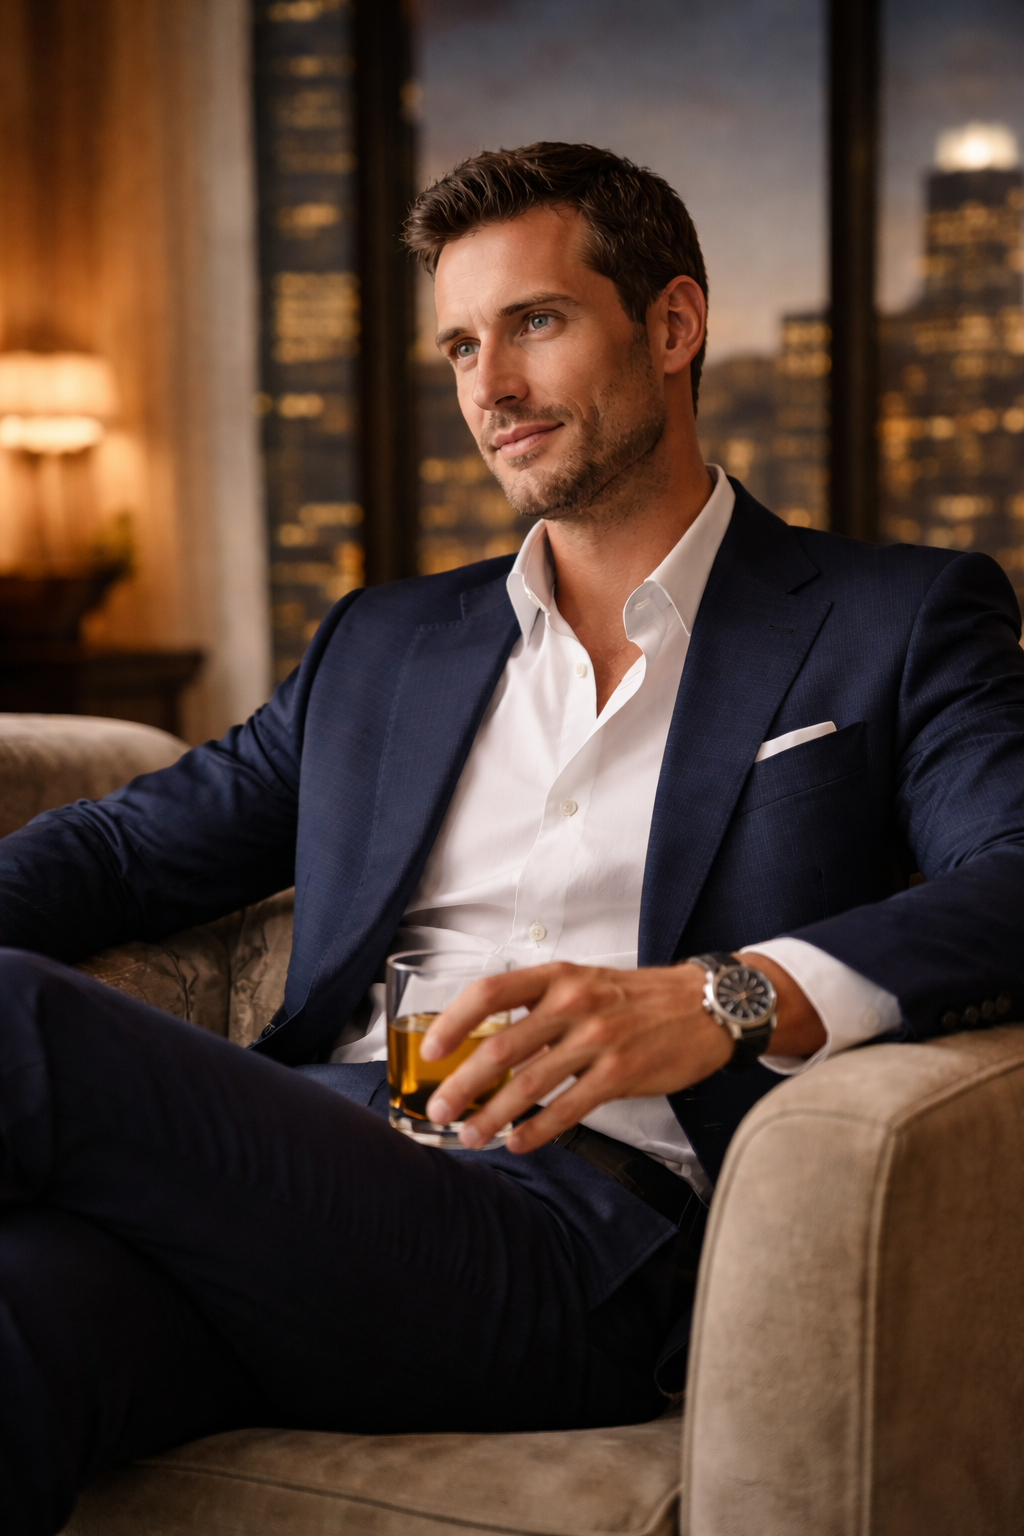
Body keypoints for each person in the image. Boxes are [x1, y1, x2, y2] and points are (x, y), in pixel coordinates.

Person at [0, 142, 1022, 1536]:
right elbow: (122, 852)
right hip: (310, 1176)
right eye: (462, 346)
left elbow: (1012, 878)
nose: (489, 385)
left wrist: (721, 997)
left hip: (590, 1234)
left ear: (673, 324)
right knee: (22, 1314)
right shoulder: (384, 643)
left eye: (535, 322)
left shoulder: (897, 619)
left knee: (21, 1024)